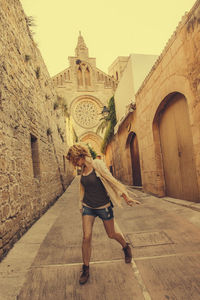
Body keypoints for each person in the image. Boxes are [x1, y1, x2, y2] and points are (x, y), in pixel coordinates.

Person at [66, 143, 141, 285]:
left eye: (75, 160)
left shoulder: (97, 165)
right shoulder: (82, 169)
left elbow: (112, 181)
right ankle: (86, 268)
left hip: (103, 206)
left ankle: (125, 247)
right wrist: (81, 203)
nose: (74, 164)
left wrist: (126, 197)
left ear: (80, 155)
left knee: (112, 234)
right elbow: (83, 187)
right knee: (86, 236)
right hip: (88, 206)